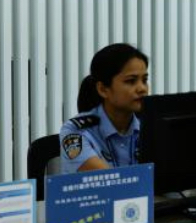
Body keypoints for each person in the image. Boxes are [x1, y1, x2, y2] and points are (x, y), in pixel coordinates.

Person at [59, 43, 150, 173]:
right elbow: (110, 182)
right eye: (131, 81)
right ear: (103, 89)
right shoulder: (75, 130)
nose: (142, 88)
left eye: (144, 80)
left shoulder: (149, 125)